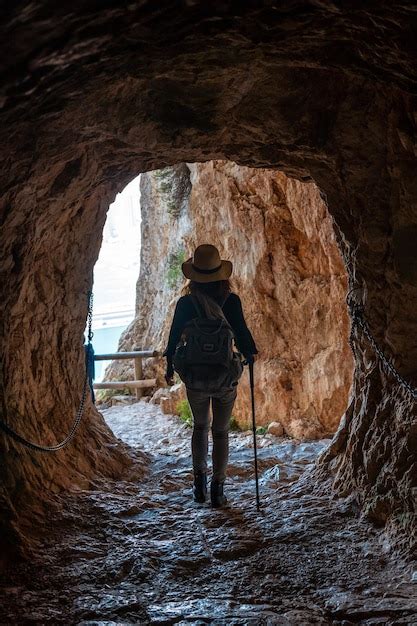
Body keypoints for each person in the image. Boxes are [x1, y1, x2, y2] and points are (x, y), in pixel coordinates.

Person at [163, 244, 258, 508]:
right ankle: (218, 489)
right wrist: (249, 354)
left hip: (194, 377)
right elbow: (242, 336)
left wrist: (170, 367)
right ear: (221, 274)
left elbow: (172, 340)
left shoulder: (185, 304)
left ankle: (198, 487)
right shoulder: (231, 301)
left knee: (200, 427)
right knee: (221, 432)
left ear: (194, 276)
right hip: (224, 376)